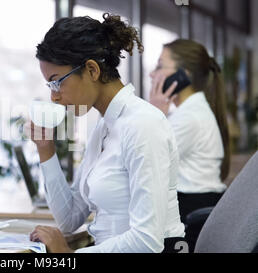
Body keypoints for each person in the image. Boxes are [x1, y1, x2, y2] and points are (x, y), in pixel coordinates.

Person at [24, 13, 185, 253]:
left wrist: (69, 255)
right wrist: (46, 150)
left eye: (57, 82)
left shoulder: (143, 125)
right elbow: (69, 218)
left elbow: (147, 241)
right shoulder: (104, 127)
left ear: (91, 70)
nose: (53, 97)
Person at [148, 39, 230, 224]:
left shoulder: (189, 117)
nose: (152, 74)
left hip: (191, 212)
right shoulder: (189, 112)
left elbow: (147, 163)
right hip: (192, 206)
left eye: (160, 66)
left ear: (182, 75)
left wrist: (153, 114)